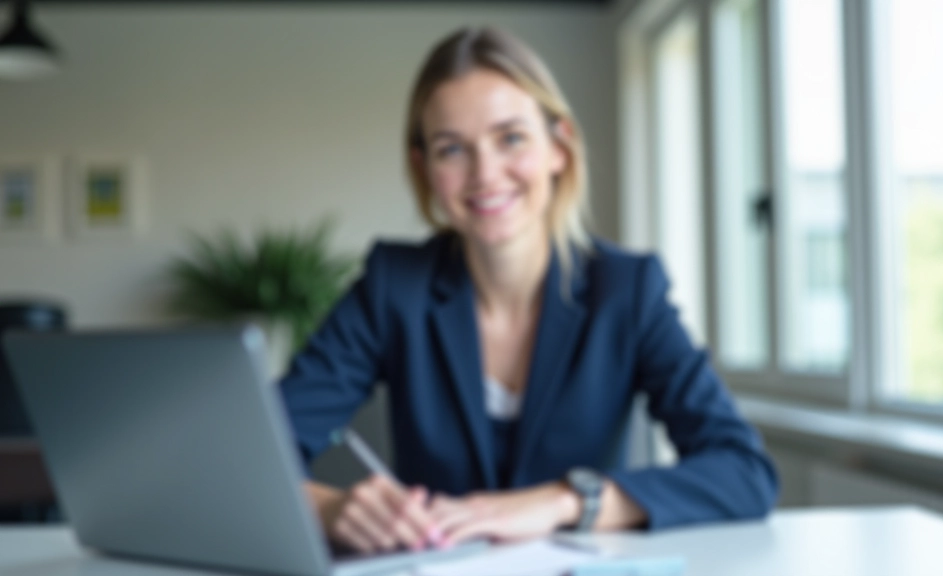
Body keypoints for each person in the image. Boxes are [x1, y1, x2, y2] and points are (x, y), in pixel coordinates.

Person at [279, 26, 777, 555]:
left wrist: (565, 500)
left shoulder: (626, 291)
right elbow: (249, 456)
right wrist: (330, 507)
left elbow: (743, 471)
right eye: (452, 150)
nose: (485, 174)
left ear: (558, 147)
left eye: (511, 138)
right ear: (425, 169)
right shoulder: (393, 287)